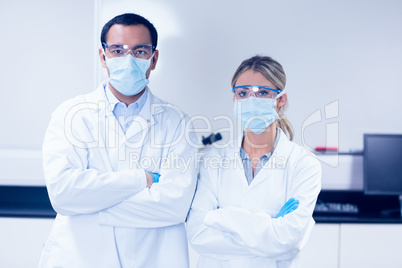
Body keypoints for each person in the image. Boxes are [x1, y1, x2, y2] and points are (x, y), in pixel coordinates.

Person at [39, 13, 198, 268]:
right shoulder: (70, 115)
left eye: (140, 51)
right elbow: (64, 195)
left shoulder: (178, 123)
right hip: (80, 258)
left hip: (152, 259)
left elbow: (174, 205)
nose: (129, 60)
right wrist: (142, 179)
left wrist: (91, 207)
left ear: (153, 59)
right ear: (103, 56)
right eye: (117, 51)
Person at [186, 55, 321, 267]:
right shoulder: (213, 159)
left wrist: (221, 217)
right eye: (243, 93)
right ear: (234, 98)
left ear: (280, 100)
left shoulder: (304, 165)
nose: (251, 101)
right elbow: (199, 234)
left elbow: (287, 241)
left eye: (263, 93)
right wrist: (269, 226)